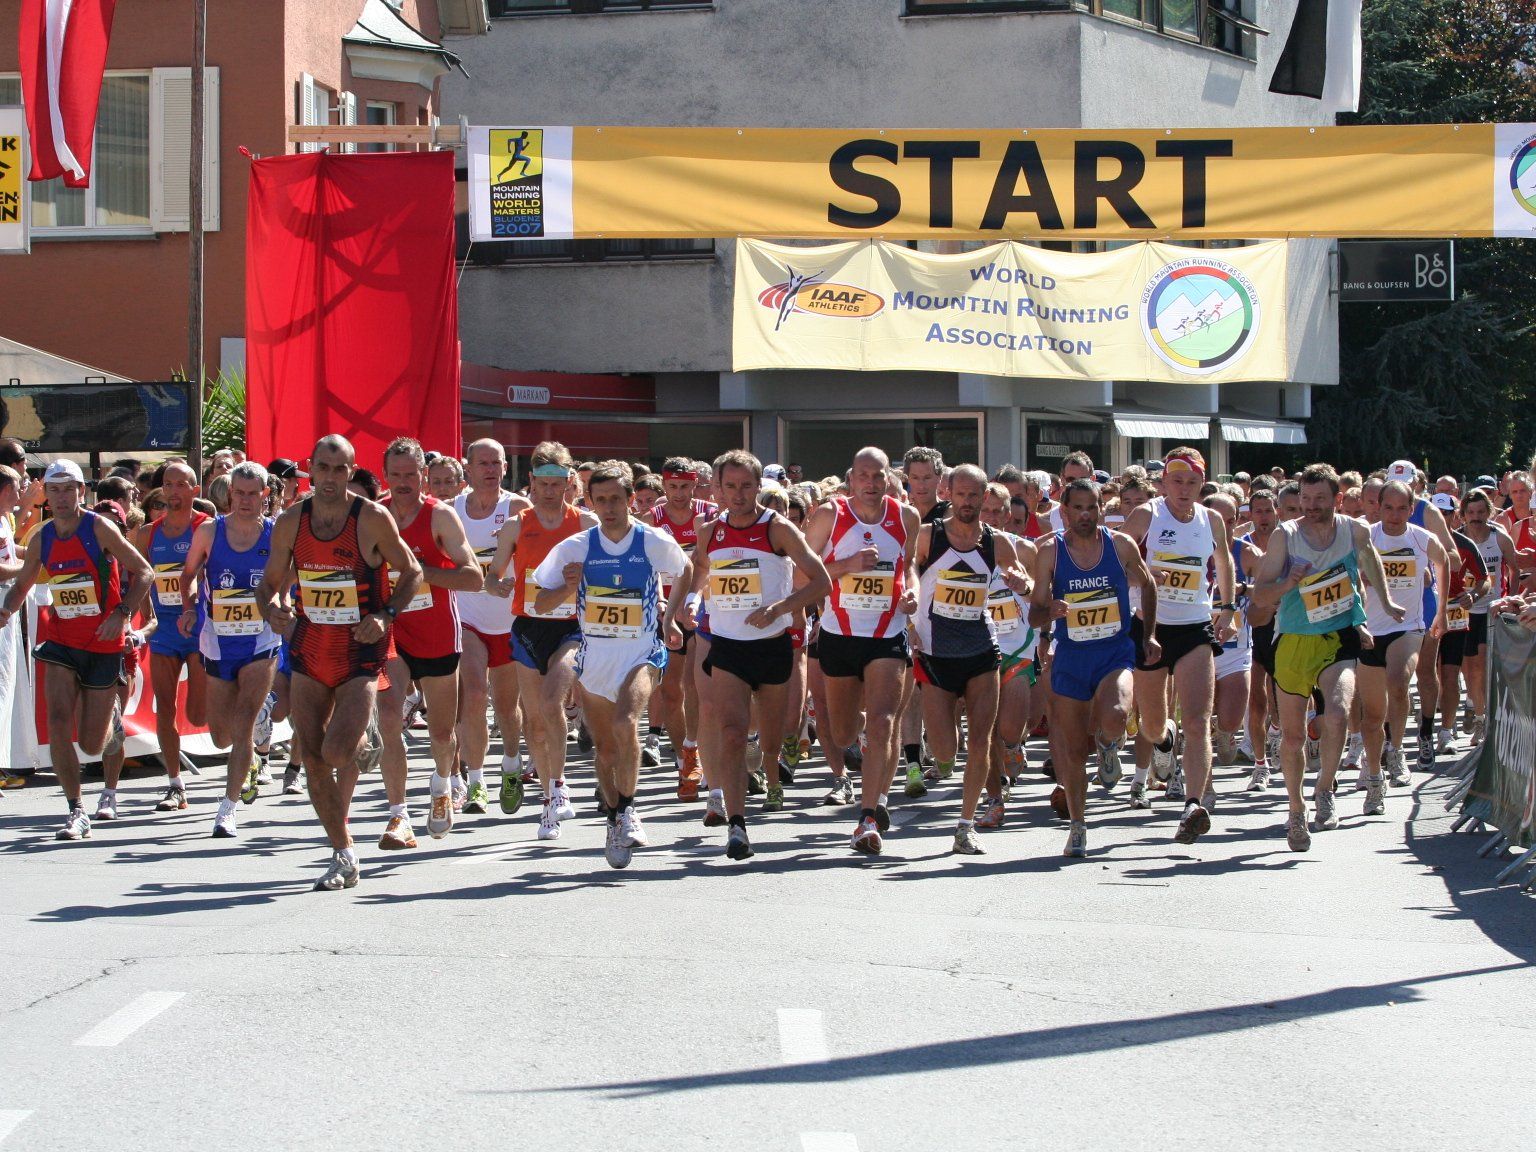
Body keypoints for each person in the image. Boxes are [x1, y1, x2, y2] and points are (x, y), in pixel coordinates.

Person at [257, 435, 423, 891]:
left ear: (351, 472)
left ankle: (366, 732)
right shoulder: (291, 521)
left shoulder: (370, 518)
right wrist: (273, 609)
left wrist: (386, 614)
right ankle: (343, 853)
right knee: (313, 759)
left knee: (335, 752)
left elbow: (412, 571)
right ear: (310, 469)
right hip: (310, 648)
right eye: (323, 468)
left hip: (359, 649)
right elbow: (269, 583)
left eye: (339, 469)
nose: (330, 478)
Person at [533, 461, 690, 869]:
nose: (609, 508)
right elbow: (540, 602)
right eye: (600, 500)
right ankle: (614, 817)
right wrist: (568, 587)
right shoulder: (576, 547)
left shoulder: (651, 540)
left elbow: (686, 568)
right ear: (589, 501)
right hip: (596, 658)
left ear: (631, 500)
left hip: (642, 652)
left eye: (616, 499)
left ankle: (629, 809)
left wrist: (670, 617)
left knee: (626, 723)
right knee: (604, 750)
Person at [686, 450, 830, 859]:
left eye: (746, 486)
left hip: (771, 645)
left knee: (771, 737)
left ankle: (769, 766)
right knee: (731, 732)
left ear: (758, 487)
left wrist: (780, 608)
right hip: (727, 646)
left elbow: (821, 582)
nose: (738, 494)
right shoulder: (710, 532)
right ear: (717, 488)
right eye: (730, 486)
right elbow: (699, 572)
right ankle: (737, 825)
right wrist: (693, 601)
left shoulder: (778, 528)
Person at [1250, 464, 1402, 852]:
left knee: (1337, 714)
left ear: (1338, 499)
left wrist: (1385, 602)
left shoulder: (1354, 530)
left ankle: (1324, 791)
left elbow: (1370, 561)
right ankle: (1295, 808)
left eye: (1320, 499)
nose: (1311, 505)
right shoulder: (1286, 536)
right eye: (1306, 498)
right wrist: (1288, 583)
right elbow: (1260, 595)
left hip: (1338, 638)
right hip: (1294, 641)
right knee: (1294, 736)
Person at [0, 460, 153, 840]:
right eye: (55, 490)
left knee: (91, 742)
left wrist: (121, 614)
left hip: (103, 642)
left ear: (81, 492)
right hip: (61, 642)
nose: (62, 497)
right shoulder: (42, 537)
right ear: (47, 496)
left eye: (69, 489)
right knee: (57, 722)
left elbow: (145, 573)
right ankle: (76, 809)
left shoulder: (99, 527)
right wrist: (5, 611)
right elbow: (22, 585)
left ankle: (111, 724)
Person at [1029, 478, 1159, 858]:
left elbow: (1149, 585)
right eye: (1078, 508)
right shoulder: (1050, 552)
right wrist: (1049, 614)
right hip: (1071, 656)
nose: (1085, 515)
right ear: (1065, 511)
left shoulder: (1120, 545)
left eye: (1092, 507)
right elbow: (1034, 612)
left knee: (1116, 715)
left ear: (1102, 508)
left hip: (1114, 651)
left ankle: (1108, 744)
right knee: (1072, 750)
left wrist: (1149, 636)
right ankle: (1078, 825)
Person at [803, 447, 921, 855]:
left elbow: (910, 565)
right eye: (863, 476)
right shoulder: (829, 515)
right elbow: (803, 573)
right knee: (843, 733)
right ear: (851, 478)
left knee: (884, 722)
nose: (871, 483)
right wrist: (846, 565)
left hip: (888, 633)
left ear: (889, 478)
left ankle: (868, 817)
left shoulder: (906, 517)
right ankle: (857, 730)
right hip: (839, 633)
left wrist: (912, 592)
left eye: (878, 476)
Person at [911, 465, 1028, 854]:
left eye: (973, 495)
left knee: (981, 740)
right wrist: (909, 615)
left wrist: (1023, 584)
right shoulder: (929, 536)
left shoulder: (996, 542)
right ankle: (945, 760)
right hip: (935, 652)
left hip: (981, 649)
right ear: (949, 494)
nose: (966, 502)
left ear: (984, 497)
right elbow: (906, 573)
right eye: (960, 494)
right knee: (945, 750)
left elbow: (1022, 577)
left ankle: (965, 825)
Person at [1121, 448, 1236, 844]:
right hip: (1150, 626)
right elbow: (1118, 563)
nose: (1184, 489)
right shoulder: (1147, 515)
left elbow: (1225, 562)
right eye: (1177, 481)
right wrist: (1145, 574)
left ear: (1202, 484)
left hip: (1195, 627)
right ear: (1163, 483)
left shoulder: (1211, 519)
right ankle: (1163, 739)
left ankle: (1192, 804)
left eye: (1192, 482)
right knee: (1153, 724)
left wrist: (1227, 609)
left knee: (1199, 720)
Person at [486, 441, 597, 840]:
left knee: (552, 703)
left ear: (569, 482)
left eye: (557, 483)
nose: (550, 491)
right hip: (528, 627)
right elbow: (493, 574)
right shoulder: (517, 525)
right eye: (543, 483)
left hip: (571, 627)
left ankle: (560, 785)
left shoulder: (584, 524)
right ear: (531, 481)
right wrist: (497, 585)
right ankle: (549, 800)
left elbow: (605, 568)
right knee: (535, 723)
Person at [377, 438, 482, 849]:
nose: (403, 482)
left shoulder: (439, 516)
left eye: (411, 474)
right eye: (396, 474)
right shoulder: (376, 514)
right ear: (385, 475)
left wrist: (418, 573)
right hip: (392, 631)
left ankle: (442, 784)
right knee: (389, 717)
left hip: (437, 632)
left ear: (423, 474)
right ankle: (398, 815)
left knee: (441, 733)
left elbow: (472, 577)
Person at [178, 462, 283, 838]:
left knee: (243, 723)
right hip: (217, 640)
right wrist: (189, 608)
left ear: (264, 495)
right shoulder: (210, 531)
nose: (245, 500)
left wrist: (282, 604)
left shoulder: (275, 533)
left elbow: (286, 579)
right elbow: (188, 576)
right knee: (220, 734)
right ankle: (250, 752)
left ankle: (227, 809)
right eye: (239, 493)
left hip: (261, 640)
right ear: (230, 493)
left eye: (253, 494)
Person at [1357, 480, 1448, 812]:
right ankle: (1374, 777)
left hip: (1408, 626)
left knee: (1398, 682)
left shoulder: (1421, 538)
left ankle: (1396, 751)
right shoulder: (1365, 537)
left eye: (1401, 508)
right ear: (1378, 507)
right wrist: (1360, 580)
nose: (1394, 515)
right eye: (1388, 508)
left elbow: (1444, 562)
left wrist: (1441, 611)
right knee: (1372, 714)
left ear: (1412, 509)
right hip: (1370, 630)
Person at [453, 439, 529, 814]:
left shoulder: (516, 508)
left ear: (505, 468)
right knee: (474, 694)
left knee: (506, 706)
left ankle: (511, 766)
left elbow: (540, 554)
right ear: (468, 468)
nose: (490, 470)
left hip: (509, 622)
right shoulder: (453, 510)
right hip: (468, 619)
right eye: (482, 463)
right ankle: (476, 782)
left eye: (496, 463)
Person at [131, 460, 211, 812]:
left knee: (198, 714)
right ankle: (175, 784)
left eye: (181, 485)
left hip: (199, 628)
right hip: (165, 629)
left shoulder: (206, 528)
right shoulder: (148, 534)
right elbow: (140, 578)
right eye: (168, 484)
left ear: (195, 490)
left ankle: (247, 734)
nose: (173, 491)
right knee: (165, 708)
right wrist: (142, 618)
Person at [649, 457, 714, 798]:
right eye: (672, 486)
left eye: (685, 487)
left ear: (695, 485)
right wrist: (664, 605)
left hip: (698, 608)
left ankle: (695, 750)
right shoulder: (652, 519)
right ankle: (683, 756)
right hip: (666, 610)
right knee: (671, 691)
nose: (679, 493)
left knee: (695, 684)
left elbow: (712, 564)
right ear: (664, 485)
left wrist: (695, 598)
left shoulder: (708, 515)